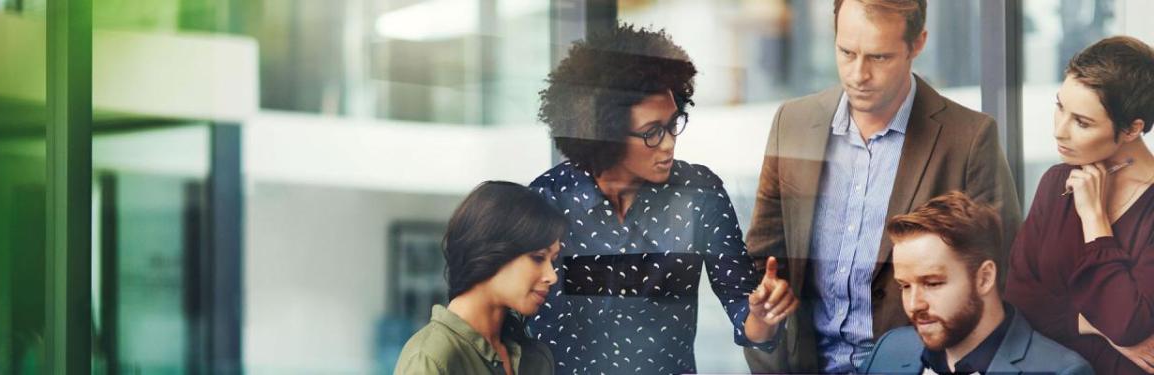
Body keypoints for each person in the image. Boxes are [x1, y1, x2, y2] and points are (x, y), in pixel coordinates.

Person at [742, 0, 1023, 372]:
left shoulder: (969, 138)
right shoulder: (792, 123)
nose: (858, 74)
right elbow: (762, 259)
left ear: (917, 44)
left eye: (879, 57)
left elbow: (1002, 276)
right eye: (846, 52)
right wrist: (764, 308)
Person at [528, 24, 797, 375]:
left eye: (674, 123)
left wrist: (763, 315)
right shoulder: (547, 201)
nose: (670, 143)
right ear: (604, 133)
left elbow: (743, 307)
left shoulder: (699, 193)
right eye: (653, 132)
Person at [1004, 36, 1154, 375]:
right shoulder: (1056, 183)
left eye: (1082, 122)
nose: (1059, 131)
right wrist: (1094, 324)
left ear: (1132, 129)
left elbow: (1129, 323)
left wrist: (1095, 220)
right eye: (1060, 107)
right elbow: (1020, 301)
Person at [860, 192, 1092, 374]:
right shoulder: (888, 350)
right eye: (905, 286)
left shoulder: (1060, 370)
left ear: (984, 278)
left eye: (932, 283)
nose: (913, 305)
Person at [395, 181, 566, 375]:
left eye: (553, 261)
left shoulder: (536, 359)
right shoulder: (431, 358)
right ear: (491, 252)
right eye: (537, 258)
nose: (552, 276)